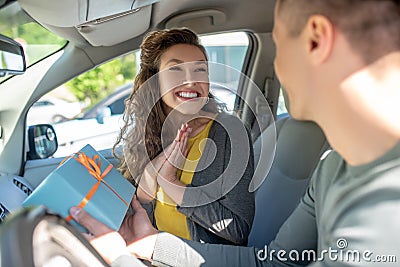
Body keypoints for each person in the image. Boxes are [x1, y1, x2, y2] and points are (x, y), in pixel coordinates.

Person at [70, 0, 400, 266]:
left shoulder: (387, 200)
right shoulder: (331, 171)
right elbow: (275, 263)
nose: (278, 70)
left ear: (316, 40)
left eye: (281, 47)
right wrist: (146, 243)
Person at [112, 28, 255, 246]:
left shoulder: (230, 134)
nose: (191, 81)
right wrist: (150, 175)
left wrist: (171, 182)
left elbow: (237, 230)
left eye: (200, 70)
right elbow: (139, 228)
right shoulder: (144, 137)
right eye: (176, 69)